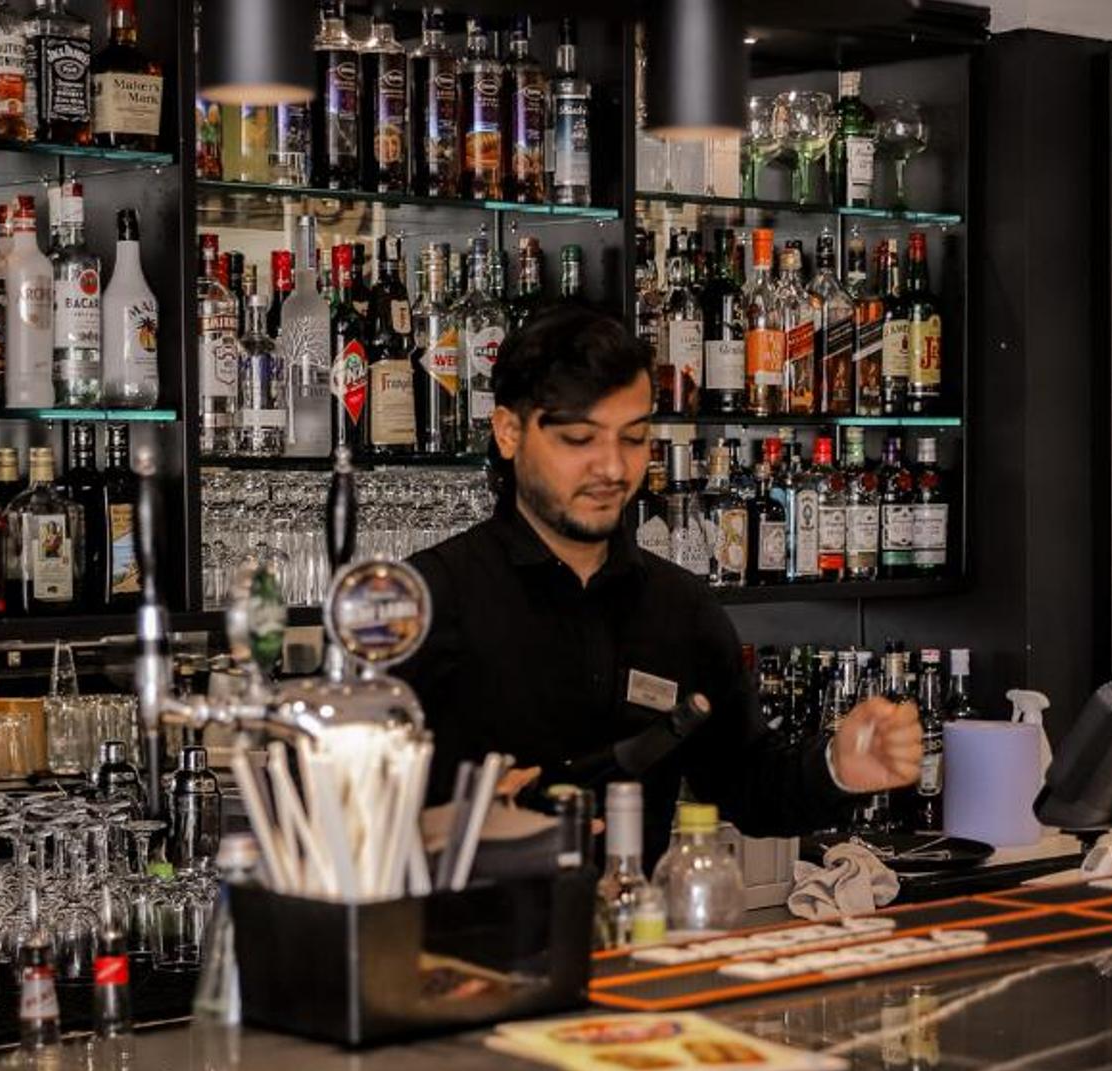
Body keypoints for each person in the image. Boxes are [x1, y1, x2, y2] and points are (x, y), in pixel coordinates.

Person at [393, 304, 923, 861]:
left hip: (630, 914)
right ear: (508, 432)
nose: (612, 468)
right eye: (579, 439)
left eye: (633, 437)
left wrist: (838, 767)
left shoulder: (679, 606)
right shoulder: (428, 600)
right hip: (463, 917)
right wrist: (448, 828)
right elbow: (343, 811)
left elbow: (747, 782)